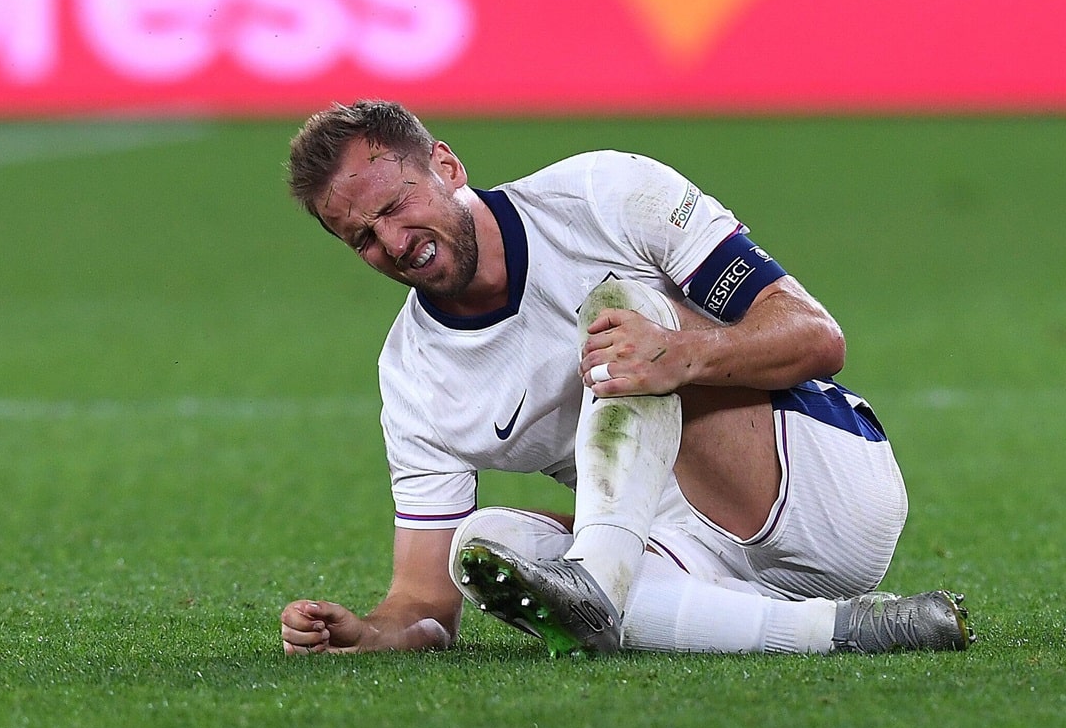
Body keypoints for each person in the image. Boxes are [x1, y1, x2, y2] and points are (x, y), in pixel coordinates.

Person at [278, 99, 974, 657]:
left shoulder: (604, 194)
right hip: (680, 550)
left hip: (819, 487)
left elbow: (816, 337)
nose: (395, 243)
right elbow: (425, 607)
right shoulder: (412, 375)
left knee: (623, 313)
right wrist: (369, 632)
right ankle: (843, 630)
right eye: (363, 238)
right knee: (483, 548)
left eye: (398, 205)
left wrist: (681, 353)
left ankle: (600, 581)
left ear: (447, 166)